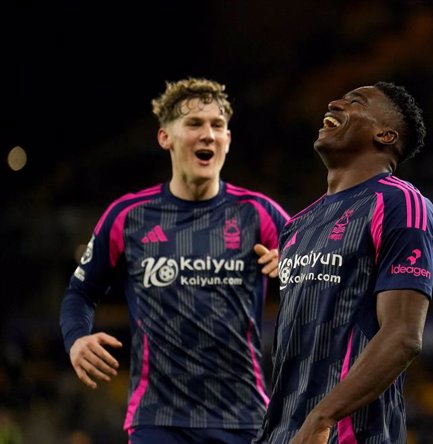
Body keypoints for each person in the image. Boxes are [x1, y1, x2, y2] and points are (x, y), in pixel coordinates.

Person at [59, 77, 289, 444]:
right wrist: (76, 339)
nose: (208, 134)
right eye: (194, 123)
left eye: (217, 125)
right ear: (165, 137)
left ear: (228, 140)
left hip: (244, 417)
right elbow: (79, 294)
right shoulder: (127, 216)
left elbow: (319, 277)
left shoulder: (259, 213)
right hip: (158, 420)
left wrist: (292, 266)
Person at [253, 81, 433, 444]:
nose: (335, 102)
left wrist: (322, 418)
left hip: (348, 433)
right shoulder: (296, 226)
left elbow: (403, 335)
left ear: (385, 135)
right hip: (283, 433)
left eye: (356, 101)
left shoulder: (400, 204)